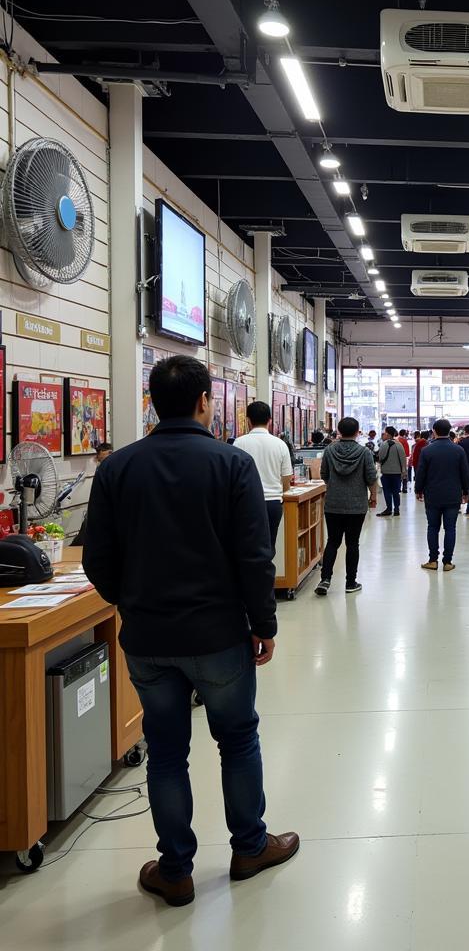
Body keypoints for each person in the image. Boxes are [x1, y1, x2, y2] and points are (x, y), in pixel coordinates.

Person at [83, 355, 298, 907]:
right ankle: (250, 846)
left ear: (152, 400)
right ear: (206, 401)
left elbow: (97, 557)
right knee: (237, 739)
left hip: (149, 640)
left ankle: (175, 869)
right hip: (220, 633)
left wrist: (128, 601)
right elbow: (254, 556)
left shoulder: (117, 468)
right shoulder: (230, 465)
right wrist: (263, 622)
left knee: (166, 751)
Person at [316, 416, 377, 596]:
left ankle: (325, 579)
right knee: (352, 544)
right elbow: (371, 477)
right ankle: (350, 582)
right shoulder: (364, 452)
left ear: (339, 431)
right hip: (356, 505)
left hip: (333, 503)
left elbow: (324, 474)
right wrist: (373, 496)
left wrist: (335, 485)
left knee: (332, 542)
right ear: (358, 432)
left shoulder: (329, 450)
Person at [233, 401, 294, 549]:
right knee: (269, 546)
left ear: (248, 420)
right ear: (270, 420)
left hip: (246, 502)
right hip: (273, 503)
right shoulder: (280, 444)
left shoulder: (238, 443)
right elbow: (286, 478)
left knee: (247, 546)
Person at [414, 418, 469, 572]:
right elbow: (465, 473)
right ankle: (447, 562)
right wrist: (466, 491)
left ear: (434, 431)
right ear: (449, 430)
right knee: (450, 528)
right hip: (452, 495)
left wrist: (418, 490)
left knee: (433, 527)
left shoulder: (427, 450)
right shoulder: (458, 450)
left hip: (433, 495)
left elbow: (421, 473)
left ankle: (432, 560)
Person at [376, 425, 407, 517]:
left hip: (386, 472)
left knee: (387, 491)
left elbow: (380, 458)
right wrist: (403, 471)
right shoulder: (399, 444)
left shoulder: (383, 444)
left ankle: (389, 509)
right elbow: (403, 459)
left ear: (388, 434)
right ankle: (396, 509)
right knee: (396, 491)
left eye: (385, 433)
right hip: (397, 473)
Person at [397, 429, 411, 493]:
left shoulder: (397, 440)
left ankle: (398, 487)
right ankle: (404, 488)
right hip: (404, 459)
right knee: (404, 473)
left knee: (398, 473)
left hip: (397, 459)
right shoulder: (404, 440)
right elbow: (407, 453)